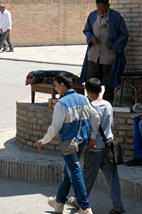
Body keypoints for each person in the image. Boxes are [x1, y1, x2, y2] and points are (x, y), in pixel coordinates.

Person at [35, 71, 98, 214]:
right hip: (82, 141)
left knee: (74, 172)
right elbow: (95, 117)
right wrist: (92, 137)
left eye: (56, 86)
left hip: (68, 144)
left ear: (62, 85)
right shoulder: (83, 98)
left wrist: (43, 141)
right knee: (68, 171)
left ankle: (84, 206)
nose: (55, 89)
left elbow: (54, 128)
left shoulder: (61, 104)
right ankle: (59, 202)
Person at [79, 77, 124, 214]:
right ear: (100, 90)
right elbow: (110, 125)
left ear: (87, 91)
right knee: (113, 178)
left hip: (94, 148)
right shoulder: (108, 104)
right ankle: (118, 205)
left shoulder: (88, 106)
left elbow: (87, 128)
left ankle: (81, 203)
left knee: (87, 178)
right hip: (108, 146)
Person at [80, 0, 128, 103]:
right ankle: (91, 101)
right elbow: (87, 30)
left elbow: (124, 34)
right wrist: (91, 38)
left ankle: (107, 102)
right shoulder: (92, 16)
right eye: (99, 7)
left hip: (109, 55)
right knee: (92, 79)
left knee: (109, 80)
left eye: (103, 7)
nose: (101, 10)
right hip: (94, 55)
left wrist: (115, 47)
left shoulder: (116, 16)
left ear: (108, 6)